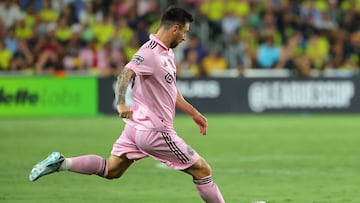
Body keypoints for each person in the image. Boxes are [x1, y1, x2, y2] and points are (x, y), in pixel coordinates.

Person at [29, 7, 225, 203]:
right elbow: (125, 74)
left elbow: (171, 90)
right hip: (155, 130)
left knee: (111, 169)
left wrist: (194, 113)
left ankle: (62, 163)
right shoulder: (150, 52)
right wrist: (121, 104)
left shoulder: (166, 54)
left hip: (136, 127)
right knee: (202, 170)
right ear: (175, 28)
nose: (185, 37)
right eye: (185, 31)